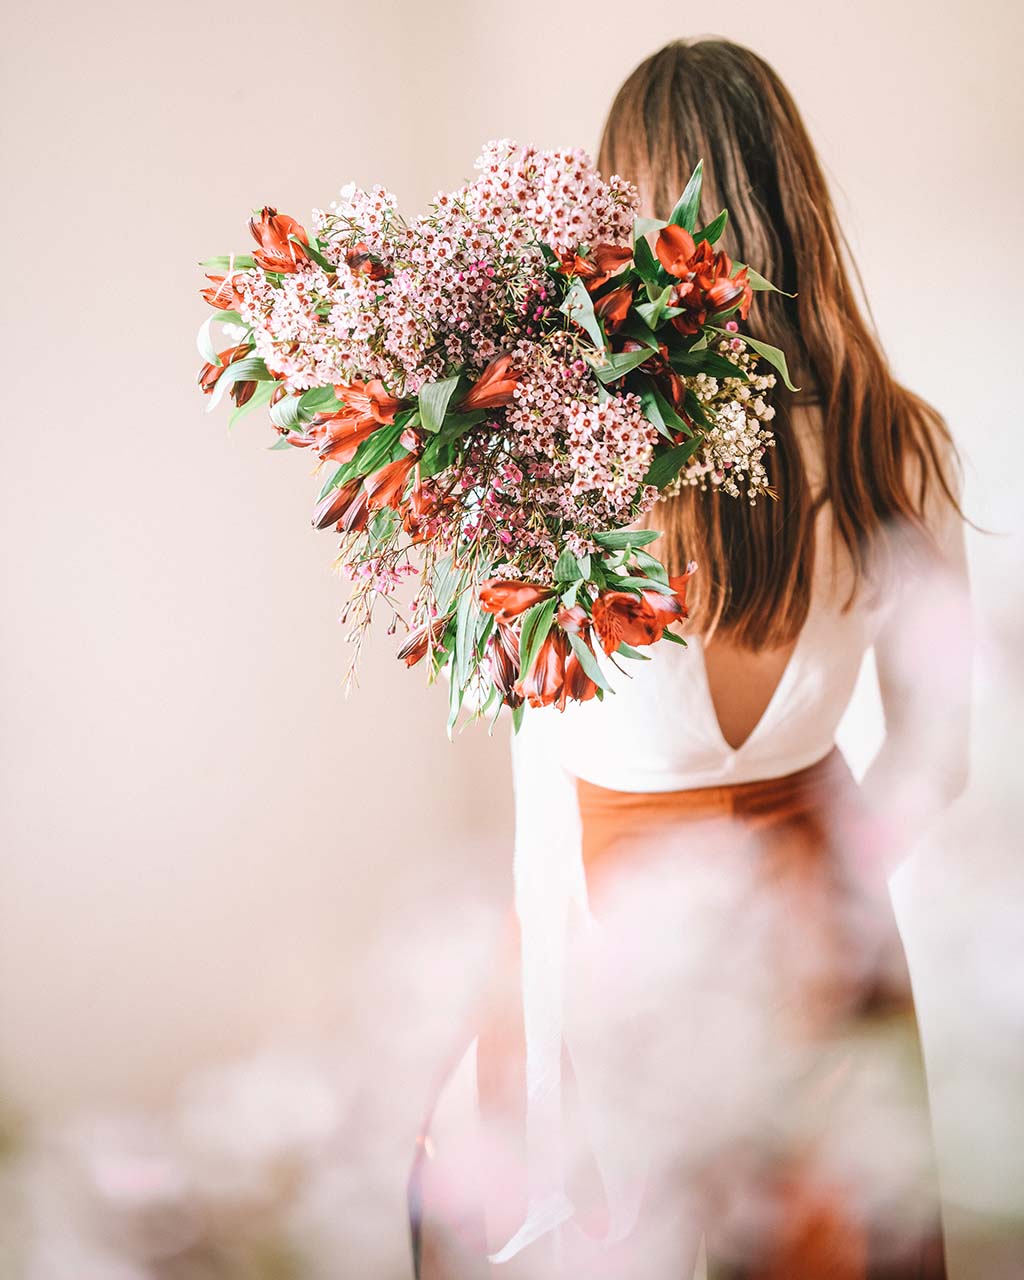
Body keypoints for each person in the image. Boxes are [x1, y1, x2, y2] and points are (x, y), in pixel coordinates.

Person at [410, 38, 969, 1280]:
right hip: (823, 922)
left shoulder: (557, 461)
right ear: (799, 202)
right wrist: (820, 899)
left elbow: (536, 799)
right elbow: (940, 757)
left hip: (607, 932)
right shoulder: (900, 441)